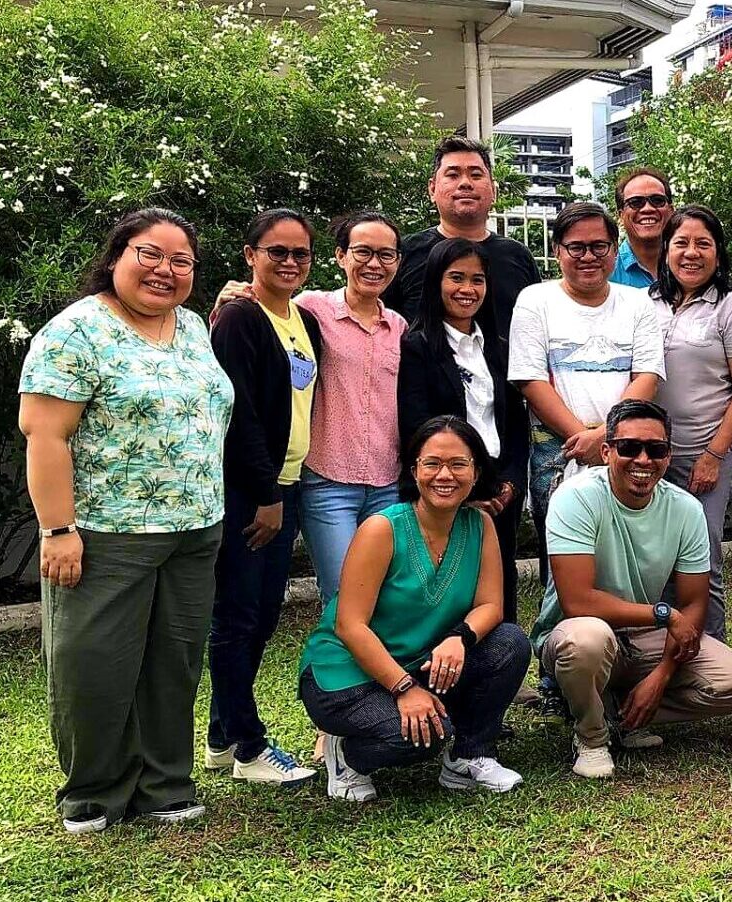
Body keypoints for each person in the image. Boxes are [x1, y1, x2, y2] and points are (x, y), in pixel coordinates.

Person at [19, 208, 232, 833]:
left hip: (196, 528)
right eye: (150, 255)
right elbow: (45, 435)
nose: (166, 271)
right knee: (95, 665)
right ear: (116, 258)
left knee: (175, 662)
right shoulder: (76, 331)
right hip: (108, 533)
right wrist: (57, 529)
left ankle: (166, 782)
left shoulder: (193, 327)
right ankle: (95, 790)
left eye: (182, 260)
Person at [299, 417, 532, 801]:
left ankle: (468, 757)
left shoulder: (480, 524)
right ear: (414, 470)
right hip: (346, 675)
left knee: (509, 642)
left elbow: (492, 604)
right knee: (420, 739)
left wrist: (460, 637)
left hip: (420, 660)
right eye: (432, 463)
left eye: (459, 464)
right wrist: (404, 689)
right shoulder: (382, 529)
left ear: (476, 472)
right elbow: (350, 625)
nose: (445, 475)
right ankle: (345, 755)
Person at [532, 400, 732, 779]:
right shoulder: (575, 497)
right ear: (606, 451)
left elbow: (694, 603)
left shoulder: (685, 509)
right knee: (587, 640)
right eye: (628, 447)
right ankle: (591, 735)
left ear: (668, 456)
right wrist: (663, 614)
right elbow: (577, 601)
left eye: (656, 450)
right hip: (580, 630)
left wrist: (662, 676)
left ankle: (619, 711)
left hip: (644, 637)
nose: (643, 460)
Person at [218, 212, 410, 608]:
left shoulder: (399, 327)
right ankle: (333, 671)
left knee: (387, 595)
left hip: (387, 481)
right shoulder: (311, 309)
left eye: (386, 255)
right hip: (328, 482)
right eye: (363, 252)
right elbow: (255, 327)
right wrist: (226, 300)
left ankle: (382, 672)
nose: (374, 264)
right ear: (340, 256)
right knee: (342, 594)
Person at [205, 208, 323, 787]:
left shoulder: (302, 319)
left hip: (291, 484)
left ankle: (221, 736)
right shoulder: (240, 320)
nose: (289, 262)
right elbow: (240, 411)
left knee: (259, 615)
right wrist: (265, 492)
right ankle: (249, 746)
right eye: (277, 251)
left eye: (300, 253)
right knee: (239, 615)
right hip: (255, 490)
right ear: (250, 254)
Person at [507, 202, 664, 577]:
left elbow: (647, 376)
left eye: (599, 246)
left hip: (625, 448)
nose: (588, 256)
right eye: (576, 247)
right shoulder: (535, 300)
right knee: (562, 561)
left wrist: (608, 438)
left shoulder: (638, 303)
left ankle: (626, 633)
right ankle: (560, 636)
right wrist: (587, 438)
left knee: (626, 556)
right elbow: (530, 380)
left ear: (614, 249)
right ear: (558, 250)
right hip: (558, 448)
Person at [649, 204, 732, 638]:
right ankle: (658, 650)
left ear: (718, 253)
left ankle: (710, 652)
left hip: (705, 451)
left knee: (703, 555)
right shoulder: (645, 303)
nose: (691, 253)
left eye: (703, 243)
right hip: (650, 452)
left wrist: (714, 454)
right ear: (665, 249)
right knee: (655, 554)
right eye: (681, 243)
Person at [398, 238, 527, 602]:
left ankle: (503, 659)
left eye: (478, 279)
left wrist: (512, 483)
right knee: (447, 591)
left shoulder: (498, 347)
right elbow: (415, 425)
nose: (468, 290)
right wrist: (461, 489)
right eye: (456, 278)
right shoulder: (418, 345)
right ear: (436, 282)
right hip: (446, 486)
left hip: (499, 487)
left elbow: (515, 423)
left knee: (500, 591)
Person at [384, 136, 541, 335]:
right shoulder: (403, 253)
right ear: (432, 189)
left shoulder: (518, 256)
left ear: (493, 190)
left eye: (476, 175)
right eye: (453, 175)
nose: (465, 183)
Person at [611, 166, 675, 289]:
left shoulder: (690, 264)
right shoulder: (605, 272)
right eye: (635, 202)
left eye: (657, 200)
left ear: (671, 211)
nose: (647, 209)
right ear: (621, 215)